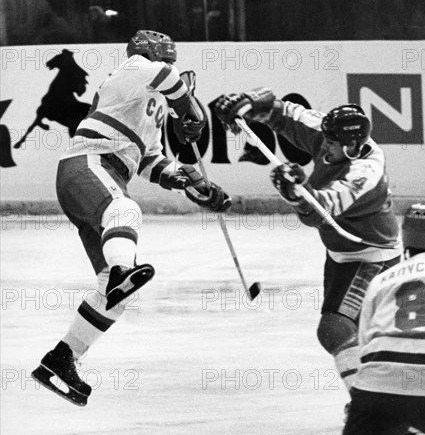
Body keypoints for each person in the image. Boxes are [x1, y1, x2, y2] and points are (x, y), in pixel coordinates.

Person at [32, 30, 231, 406]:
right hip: (87, 164)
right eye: (166, 58)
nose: (170, 65)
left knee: (114, 293)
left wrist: (192, 184)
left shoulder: (150, 106)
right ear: (151, 53)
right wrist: (190, 113)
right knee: (125, 211)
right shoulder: (135, 69)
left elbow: (151, 161)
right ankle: (123, 272)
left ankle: (62, 357)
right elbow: (171, 82)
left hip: (99, 174)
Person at [215, 90, 401, 390]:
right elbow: (284, 112)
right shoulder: (331, 133)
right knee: (352, 333)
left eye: (332, 143)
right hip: (342, 254)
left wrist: (296, 194)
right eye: (325, 138)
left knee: (335, 329)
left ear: (353, 145)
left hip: (372, 257)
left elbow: (319, 212)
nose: (325, 147)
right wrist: (247, 105)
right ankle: (385, 397)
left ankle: (371, 404)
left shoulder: (365, 172)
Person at [306, 203, 425, 435]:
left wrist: (381, 406)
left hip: (378, 385)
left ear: (405, 239)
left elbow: (367, 344)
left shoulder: (383, 280)